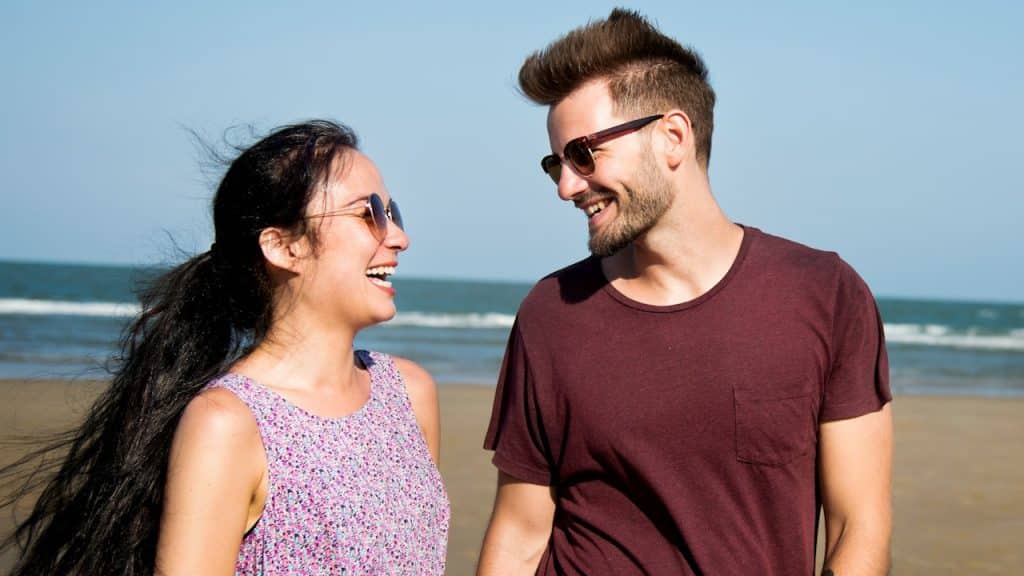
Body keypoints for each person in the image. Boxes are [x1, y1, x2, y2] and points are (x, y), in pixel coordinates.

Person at [479, 9, 892, 575]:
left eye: (583, 154)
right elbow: (520, 536)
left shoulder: (825, 295)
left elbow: (857, 528)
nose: (567, 187)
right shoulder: (551, 314)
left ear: (672, 137)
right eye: (556, 163)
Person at [1, 120, 449, 575]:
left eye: (393, 213)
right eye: (367, 213)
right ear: (282, 246)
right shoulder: (228, 423)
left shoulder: (409, 393)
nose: (397, 236)